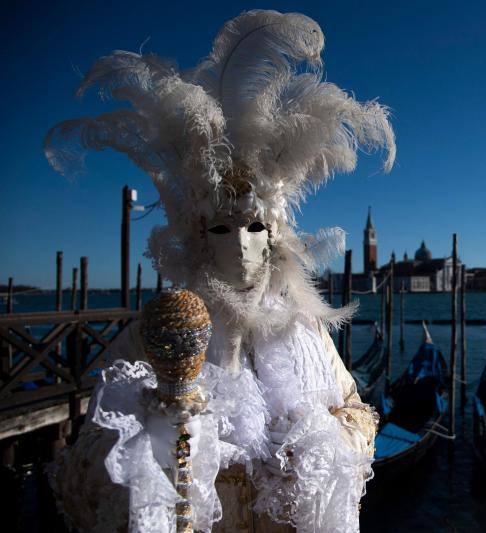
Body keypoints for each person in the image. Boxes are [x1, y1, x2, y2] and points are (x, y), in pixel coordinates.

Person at [45, 9, 395, 532]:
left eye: (256, 227)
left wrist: (321, 444)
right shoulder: (162, 330)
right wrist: (163, 440)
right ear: (195, 236)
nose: (241, 244)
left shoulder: (306, 327)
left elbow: (356, 411)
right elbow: (88, 461)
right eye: (221, 229)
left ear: (276, 236)